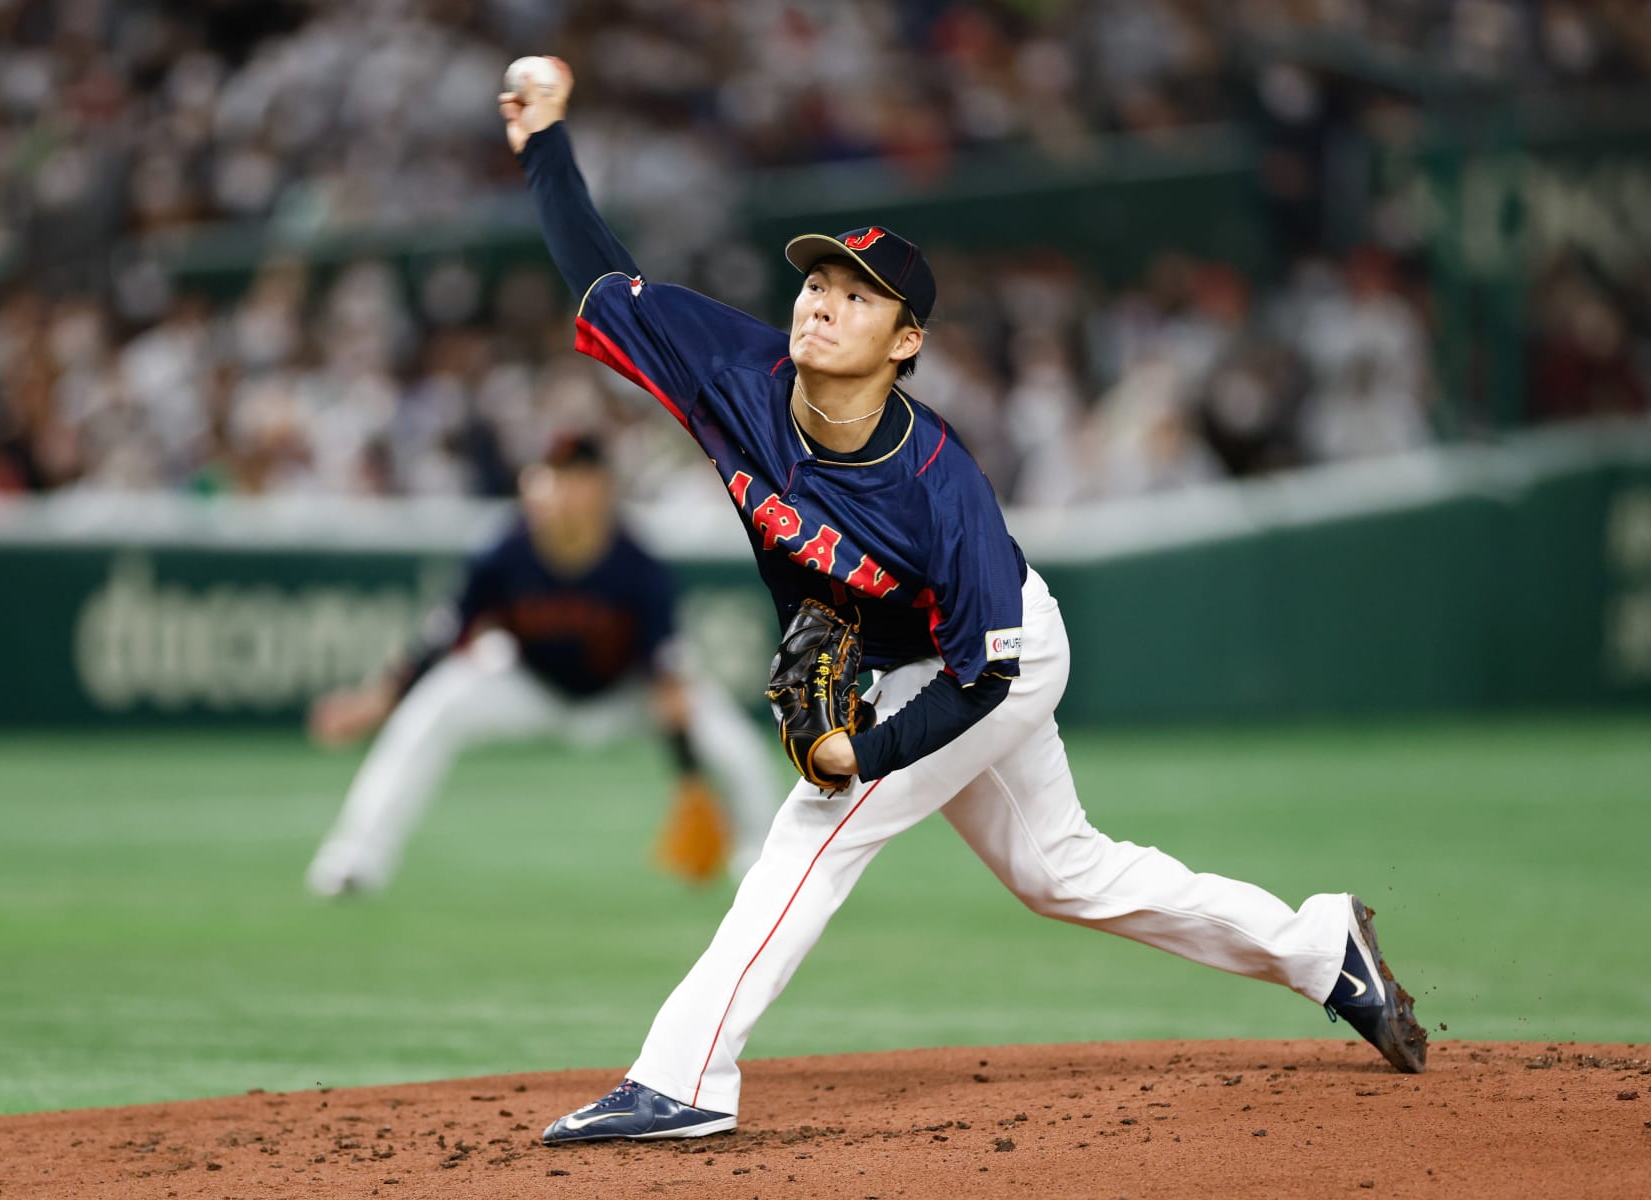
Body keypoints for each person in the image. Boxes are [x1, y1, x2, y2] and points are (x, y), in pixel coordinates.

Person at [498, 62, 1428, 1146]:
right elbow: (604, 283)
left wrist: (872, 754)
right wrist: (546, 142)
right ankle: (1322, 949)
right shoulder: (729, 376)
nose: (823, 303)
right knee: (1062, 872)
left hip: (996, 657)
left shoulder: (939, 485)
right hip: (905, 655)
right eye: (816, 284)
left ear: (906, 343)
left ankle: (685, 1076)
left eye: (857, 296)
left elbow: (991, 675)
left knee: (816, 830)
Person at [303, 431, 779, 897]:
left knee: (726, 734)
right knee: (434, 707)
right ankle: (355, 859)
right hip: (530, 686)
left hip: (624, 693)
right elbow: (446, 637)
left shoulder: (636, 563)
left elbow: (666, 675)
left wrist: (687, 773)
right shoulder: (504, 552)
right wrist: (382, 698)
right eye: (549, 477)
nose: (559, 492)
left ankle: (764, 859)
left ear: (602, 490)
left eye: (575, 478)